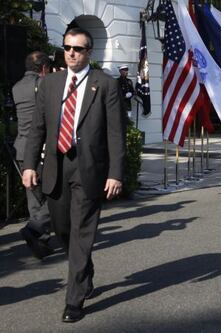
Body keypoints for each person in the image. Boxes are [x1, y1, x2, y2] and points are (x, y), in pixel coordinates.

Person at [22, 27, 126, 322]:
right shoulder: (51, 84)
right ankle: (85, 272)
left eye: (78, 49)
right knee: (62, 230)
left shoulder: (104, 84)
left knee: (82, 232)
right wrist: (30, 164)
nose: (70, 53)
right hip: (56, 167)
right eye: (67, 47)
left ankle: (74, 300)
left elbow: (116, 133)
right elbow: (37, 129)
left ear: (88, 53)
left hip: (88, 169)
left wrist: (116, 173)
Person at [12, 51, 53, 259]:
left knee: (33, 196)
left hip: (21, 147)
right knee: (55, 194)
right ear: (44, 68)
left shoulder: (16, 86)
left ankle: (40, 240)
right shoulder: (43, 85)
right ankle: (36, 229)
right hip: (40, 149)